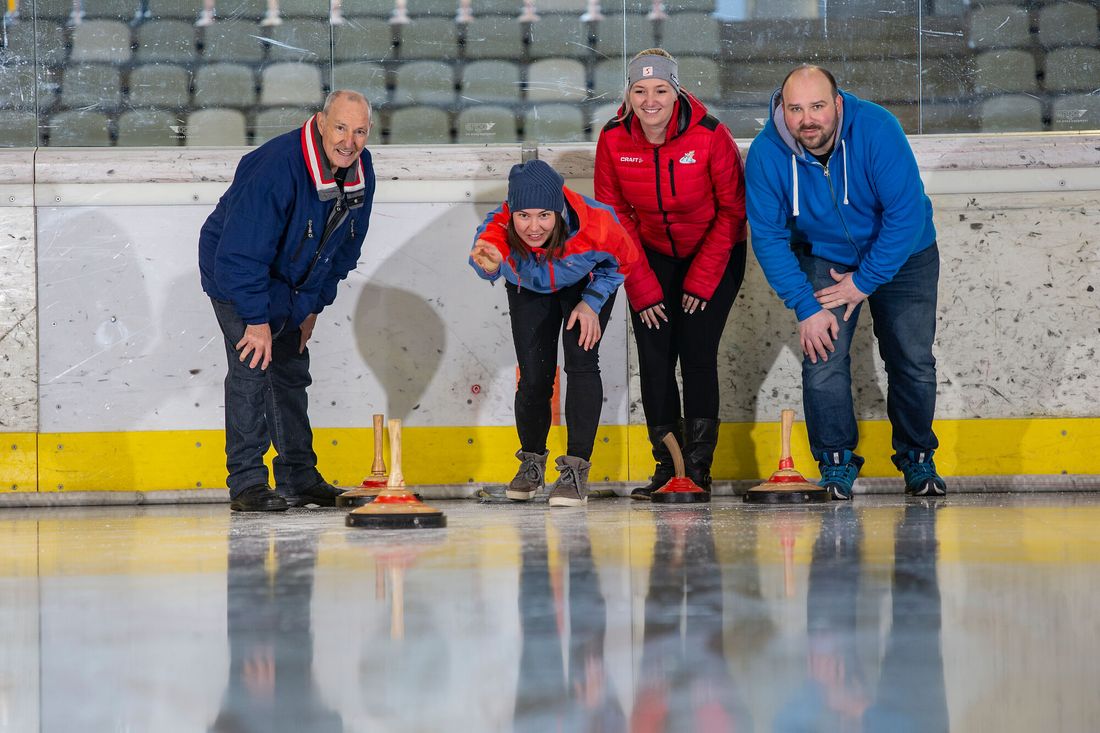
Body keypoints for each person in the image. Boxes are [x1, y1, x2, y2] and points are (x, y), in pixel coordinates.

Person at [744, 65, 946, 500]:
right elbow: (768, 237)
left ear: (837, 104)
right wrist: (805, 306)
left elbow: (905, 214)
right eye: (795, 109)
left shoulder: (876, 128)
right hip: (825, 257)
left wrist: (865, 281)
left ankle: (917, 458)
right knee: (823, 357)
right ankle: (835, 461)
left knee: (912, 360)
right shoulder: (766, 154)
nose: (806, 120)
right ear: (783, 108)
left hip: (905, 253)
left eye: (817, 106)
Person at [199, 90, 375, 512]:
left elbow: (344, 248)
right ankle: (247, 483)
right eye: (340, 127)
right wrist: (256, 321)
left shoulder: (360, 168)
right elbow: (240, 254)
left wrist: (313, 306)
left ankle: (298, 477)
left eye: (360, 131)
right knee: (252, 370)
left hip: (294, 284)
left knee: (291, 372)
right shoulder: (275, 167)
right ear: (319, 122)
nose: (349, 141)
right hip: (236, 275)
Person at [594, 48, 747, 498]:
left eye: (660, 89)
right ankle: (668, 466)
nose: (650, 100)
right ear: (629, 94)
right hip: (649, 254)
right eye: (639, 91)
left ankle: (697, 469)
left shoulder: (711, 135)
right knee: (655, 358)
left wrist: (701, 279)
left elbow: (732, 213)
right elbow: (613, 215)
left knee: (697, 354)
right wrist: (640, 286)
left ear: (675, 90)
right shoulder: (613, 138)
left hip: (715, 251)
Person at [469, 159, 637, 507]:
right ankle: (531, 464)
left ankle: (575, 471)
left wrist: (592, 302)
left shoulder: (598, 222)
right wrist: (487, 265)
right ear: (511, 213)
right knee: (533, 377)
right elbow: (485, 258)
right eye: (524, 216)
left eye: (544, 215)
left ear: (559, 210)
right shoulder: (498, 226)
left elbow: (623, 261)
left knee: (580, 362)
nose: (533, 227)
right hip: (528, 289)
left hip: (583, 287)